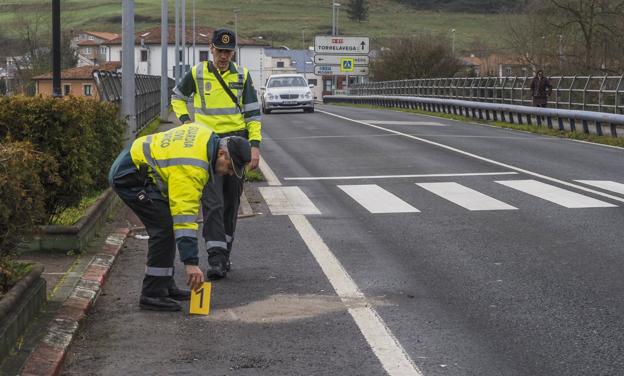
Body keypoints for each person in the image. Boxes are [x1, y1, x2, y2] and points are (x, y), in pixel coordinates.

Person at [108, 123, 251, 311]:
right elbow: (184, 218)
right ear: (222, 154)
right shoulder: (192, 167)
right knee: (163, 229)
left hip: (140, 164)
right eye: (230, 167)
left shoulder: (207, 136)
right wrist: (191, 264)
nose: (229, 173)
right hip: (130, 176)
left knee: (165, 226)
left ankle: (165, 285)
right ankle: (151, 294)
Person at [171, 28, 261, 280]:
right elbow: (177, 97)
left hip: (235, 145)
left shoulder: (242, 76)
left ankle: (225, 253)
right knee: (212, 204)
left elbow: (253, 114)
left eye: (228, 52)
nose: (224, 56)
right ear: (211, 48)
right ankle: (216, 260)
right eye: (220, 51)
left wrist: (254, 147)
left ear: (234, 52)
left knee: (231, 205)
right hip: (206, 147)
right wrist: (185, 121)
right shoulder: (197, 73)